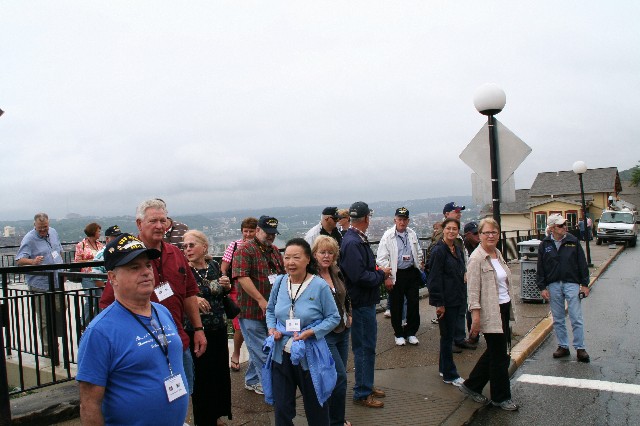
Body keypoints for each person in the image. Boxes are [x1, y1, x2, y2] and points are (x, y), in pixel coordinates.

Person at [77, 233, 189, 425]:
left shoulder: (162, 312)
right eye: (134, 267)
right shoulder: (100, 331)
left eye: (147, 265)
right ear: (113, 278)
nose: (146, 272)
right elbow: (89, 404)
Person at [99, 199, 206, 396]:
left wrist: (198, 329)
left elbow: (189, 293)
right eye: (153, 221)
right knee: (150, 398)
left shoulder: (175, 253)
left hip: (177, 341)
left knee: (183, 395)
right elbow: (107, 304)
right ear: (139, 224)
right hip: (143, 348)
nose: (159, 226)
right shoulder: (126, 260)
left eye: (163, 221)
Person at [264, 238, 340, 426]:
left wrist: (312, 332)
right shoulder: (280, 282)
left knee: (316, 408)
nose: (290, 262)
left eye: (296, 257)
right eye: (287, 257)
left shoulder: (319, 286)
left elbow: (334, 317)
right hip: (281, 354)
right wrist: (272, 328)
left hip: (310, 354)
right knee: (282, 409)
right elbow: (271, 310)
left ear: (308, 259)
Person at [459, 218, 519, 411]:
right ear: (480, 235)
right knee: (500, 355)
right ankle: (501, 397)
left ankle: (471, 385)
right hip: (489, 311)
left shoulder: (497, 253)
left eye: (494, 232)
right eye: (486, 233)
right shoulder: (477, 258)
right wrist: (475, 317)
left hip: (503, 307)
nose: (491, 236)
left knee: (495, 351)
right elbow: (473, 291)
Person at [339, 201, 390, 408]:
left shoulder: (353, 239)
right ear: (367, 218)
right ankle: (362, 392)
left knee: (368, 347)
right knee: (363, 348)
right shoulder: (352, 242)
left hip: (364, 301)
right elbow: (359, 276)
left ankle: (366, 385)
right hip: (360, 303)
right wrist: (381, 274)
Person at [183, 230, 233, 425]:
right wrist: (193, 298)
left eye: (191, 245)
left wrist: (226, 285)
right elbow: (180, 295)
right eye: (185, 246)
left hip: (218, 327)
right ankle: (203, 419)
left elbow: (221, 291)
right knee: (202, 377)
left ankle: (217, 414)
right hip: (196, 330)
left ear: (204, 247)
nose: (187, 249)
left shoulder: (213, 266)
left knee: (219, 373)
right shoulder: (184, 271)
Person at [231, 215, 285, 395]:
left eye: (273, 233)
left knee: (261, 347)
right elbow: (242, 277)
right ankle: (271, 390)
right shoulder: (245, 250)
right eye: (267, 233)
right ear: (258, 230)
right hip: (251, 311)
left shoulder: (275, 251)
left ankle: (252, 380)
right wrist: (261, 300)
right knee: (263, 350)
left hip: (272, 311)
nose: (270, 236)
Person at [537, 213, 590, 362]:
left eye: (564, 224)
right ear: (553, 228)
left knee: (576, 317)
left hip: (571, 283)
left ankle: (580, 348)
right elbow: (540, 267)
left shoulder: (573, 241)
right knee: (558, 318)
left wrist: (584, 284)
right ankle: (563, 346)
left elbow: (582, 263)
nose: (565, 227)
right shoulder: (545, 244)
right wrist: (542, 287)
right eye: (561, 225)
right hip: (554, 284)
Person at [312, 235, 352, 426]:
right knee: (338, 377)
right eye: (322, 252)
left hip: (342, 331)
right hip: (325, 334)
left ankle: (335, 417)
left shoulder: (336, 271)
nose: (326, 256)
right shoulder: (311, 277)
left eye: (330, 252)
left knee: (337, 377)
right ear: (314, 254)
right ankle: (334, 421)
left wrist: (349, 312)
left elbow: (345, 294)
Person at [15, 212, 65, 359]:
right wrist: (33, 262)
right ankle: (49, 348)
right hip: (40, 283)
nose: (43, 231)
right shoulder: (29, 238)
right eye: (40, 228)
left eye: (45, 227)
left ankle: (57, 342)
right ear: (34, 225)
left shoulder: (53, 232)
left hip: (56, 280)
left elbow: (59, 251)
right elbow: (19, 259)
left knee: (59, 312)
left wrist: (62, 269)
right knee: (45, 317)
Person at [426, 217, 466, 387]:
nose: (451, 231)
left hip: (457, 297)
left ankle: (444, 368)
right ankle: (450, 374)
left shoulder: (456, 248)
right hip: (446, 300)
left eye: (454, 229)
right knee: (447, 337)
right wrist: (439, 303)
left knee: (447, 336)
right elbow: (434, 278)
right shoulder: (439, 251)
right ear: (443, 230)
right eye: (448, 228)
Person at [376, 207, 422, 346]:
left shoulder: (412, 233)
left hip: (411, 272)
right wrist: (387, 277)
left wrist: (419, 263)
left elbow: (418, 251)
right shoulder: (388, 235)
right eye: (399, 219)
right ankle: (398, 334)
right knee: (396, 305)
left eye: (404, 220)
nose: (402, 222)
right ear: (395, 220)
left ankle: (411, 332)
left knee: (414, 304)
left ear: (408, 220)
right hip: (397, 273)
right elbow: (381, 258)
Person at [221, 217, 258, 372]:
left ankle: (255, 359)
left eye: (251, 231)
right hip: (236, 289)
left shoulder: (260, 247)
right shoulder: (234, 245)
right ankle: (236, 354)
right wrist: (227, 283)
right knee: (239, 325)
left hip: (255, 289)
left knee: (255, 324)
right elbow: (224, 267)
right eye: (245, 231)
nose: (248, 234)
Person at [74, 222, 104, 326]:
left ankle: (97, 322)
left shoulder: (100, 245)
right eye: (98, 231)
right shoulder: (81, 245)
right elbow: (77, 261)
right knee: (90, 299)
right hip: (87, 276)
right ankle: (83, 323)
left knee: (99, 300)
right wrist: (90, 261)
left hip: (98, 275)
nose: (100, 233)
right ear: (93, 232)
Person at [462, 221, 480, 344]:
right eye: (475, 233)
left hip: (479, 278)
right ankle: (472, 335)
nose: (478, 235)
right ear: (467, 234)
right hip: (466, 280)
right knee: (470, 307)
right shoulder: (462, 246)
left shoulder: (481, 245)